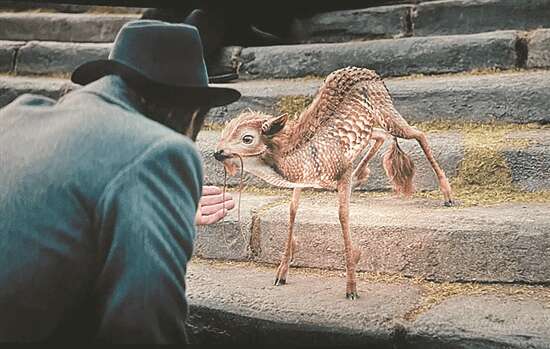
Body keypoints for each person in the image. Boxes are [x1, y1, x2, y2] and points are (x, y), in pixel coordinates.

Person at [0, 20, 238, 343]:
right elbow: (145, 329)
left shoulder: (14, 116)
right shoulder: (160, 152)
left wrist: (153, 208)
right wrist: (156, 184)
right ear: (192, 115)